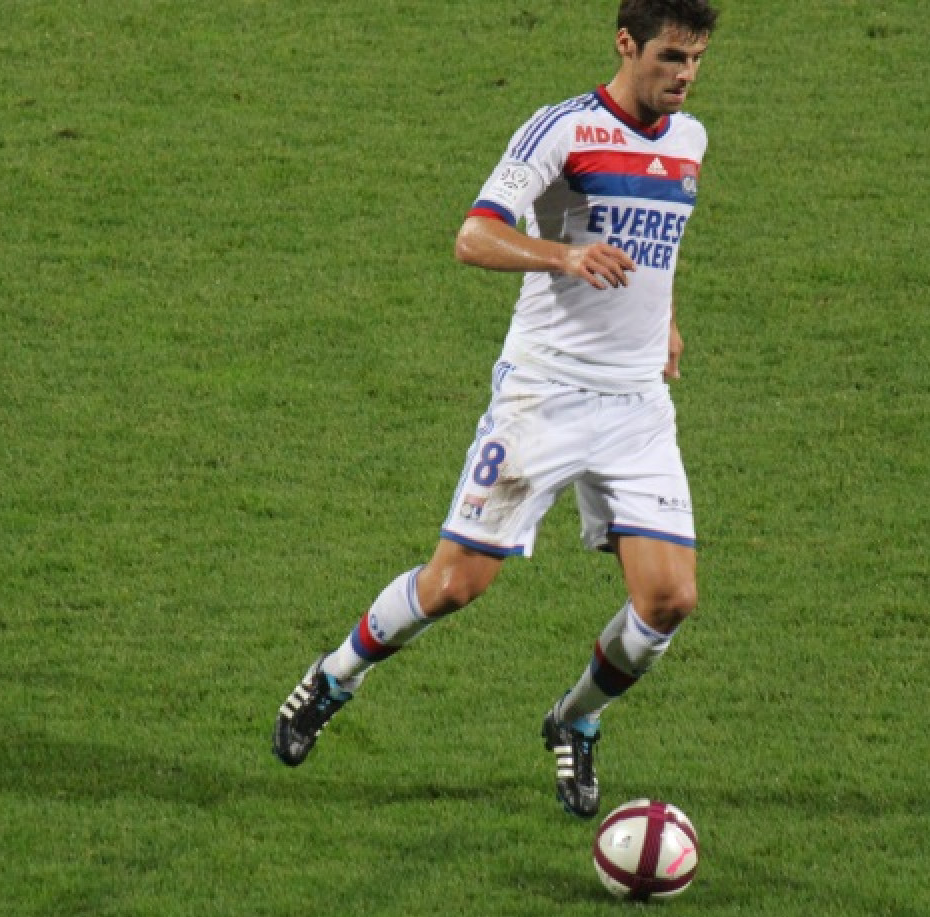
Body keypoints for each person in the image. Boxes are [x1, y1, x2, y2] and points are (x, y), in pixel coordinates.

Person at [273, 0, 719, 820]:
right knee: (452, 586)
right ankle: (333, 677)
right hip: (544, 394)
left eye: (695, 60)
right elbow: (474, 237)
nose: (685, 76)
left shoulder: (689, 141)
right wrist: (565, 254)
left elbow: (660, 250)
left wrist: (667, 322)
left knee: (669, 601)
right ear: (627, 44)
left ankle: (575, 717)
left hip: (637, 405)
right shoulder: (562, 130)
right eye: (670, 58)